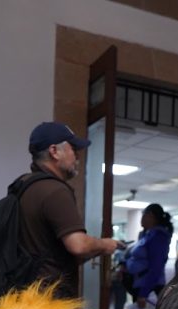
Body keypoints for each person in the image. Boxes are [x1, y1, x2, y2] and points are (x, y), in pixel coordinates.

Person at [20, 121, 122, 298]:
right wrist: (105, 244)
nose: (77, 157)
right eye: (73, 149)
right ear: (54, 151)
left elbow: (51, 253)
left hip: (26, 298)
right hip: (50, 304)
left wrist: (97, 249)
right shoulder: (55, 190)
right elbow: (79, 245)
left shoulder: (24, 186)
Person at [125, 203, 173, 309]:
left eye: (143, 215)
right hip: (140, 289)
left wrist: (143, 294)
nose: (141, 219)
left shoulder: (158, 237)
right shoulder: (146, 235)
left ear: (151, 216)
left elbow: (156, 268)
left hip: (149, 291)